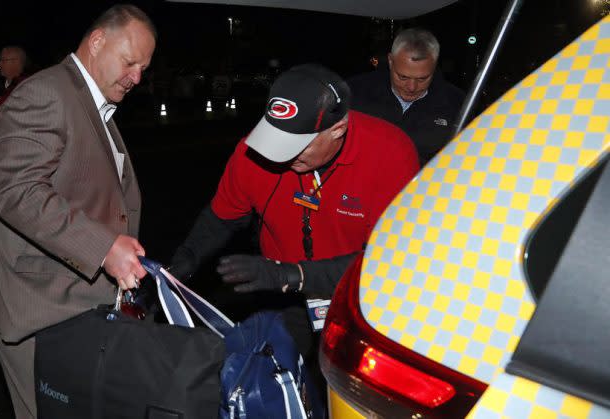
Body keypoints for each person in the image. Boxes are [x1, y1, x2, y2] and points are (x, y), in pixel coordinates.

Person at [169, 63, 419, 384]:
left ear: (338, 128)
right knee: (270, 383)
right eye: (276, 140)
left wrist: (293, 274)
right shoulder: (253, 151)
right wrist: (186, 258)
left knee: (350, 388)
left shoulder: (391, 154)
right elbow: (222, 217)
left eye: (295, 146)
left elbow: (389, 260)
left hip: (358, 299)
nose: (279, 156)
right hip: (283, 298)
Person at [0, 5, 156, 418]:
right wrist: (104, 247)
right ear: (97, 42)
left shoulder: (96, 106)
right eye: (130, 62)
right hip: (35, 307)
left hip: (77, 301)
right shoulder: (46, 92)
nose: (137, 77)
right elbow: (18, 192)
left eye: (144, 68)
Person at [347, 28, 465, 166]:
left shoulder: (457, 104)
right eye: (403, 77)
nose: (411, 87)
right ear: (391, 61)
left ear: (434, 65)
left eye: (422, 79)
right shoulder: (355, 92)